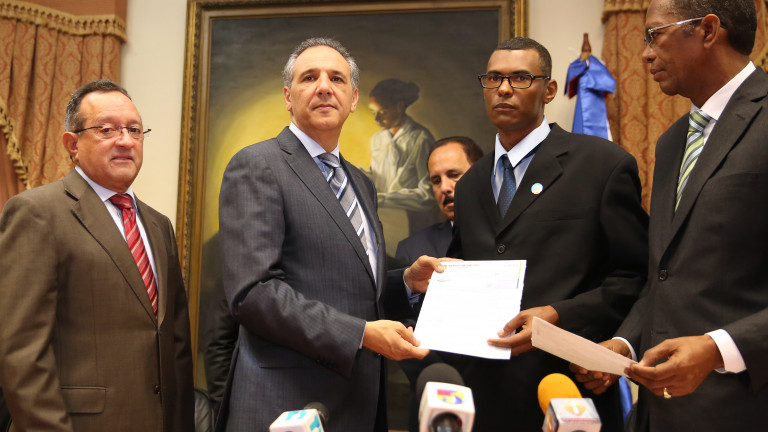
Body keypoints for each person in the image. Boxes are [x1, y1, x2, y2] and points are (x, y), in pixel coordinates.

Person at [216, 37, 443, 432]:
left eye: (336, 78)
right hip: (287, 404)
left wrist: (406, 282)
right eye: (309, 77)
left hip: (359, 404)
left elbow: (349, 288)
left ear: (352, 99)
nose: (324, 87)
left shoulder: (362, 184)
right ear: (288, 96)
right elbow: (253, 293)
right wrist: (361, 335)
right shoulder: (257, 165)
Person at [571, 0, 768, 430]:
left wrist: (718, 349)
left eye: (654, 35)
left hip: (745, 409)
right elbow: (666, 274)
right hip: (656, 413)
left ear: (708, 30)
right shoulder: (673, 140)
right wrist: (624, 344)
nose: (645, 53)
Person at [438, 37, 649, 431]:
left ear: (549, 90)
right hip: (483, 397)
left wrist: (558, 315)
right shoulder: (470, 184)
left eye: (520, 78)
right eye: (493, 78)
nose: (503, 89)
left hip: (567, 390)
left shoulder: (602, 165)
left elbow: (635, 277)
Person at [0, 79, 194, 432]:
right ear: (72, 144)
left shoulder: (158, 225)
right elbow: (20, 350)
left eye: (134, 130)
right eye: (107, 129)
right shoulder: (36, 212)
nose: (125, 141)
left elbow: (176, 345)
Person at [395, 136, 483, 432]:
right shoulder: (412, 249)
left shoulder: (513, 240)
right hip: (436, 401)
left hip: (507, 403)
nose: (445, 187)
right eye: (436, 180)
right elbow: (403, 326)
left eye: (454, 175)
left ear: (481, 173)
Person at [366, 78, 437, 230]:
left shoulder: (421, 138)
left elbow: (427, 194)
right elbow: (378, 175)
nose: (376, 119)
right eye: (373, 112)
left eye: (382, 112)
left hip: (413, 220)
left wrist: (384, 199)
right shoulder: (378, 139)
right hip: (383, 217)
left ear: (399, 107)